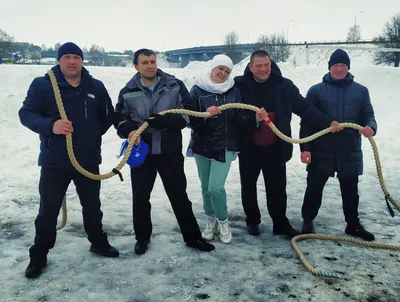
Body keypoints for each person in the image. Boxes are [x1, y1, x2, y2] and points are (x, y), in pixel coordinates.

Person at [19, 42, 119, 279]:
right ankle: (39, 254)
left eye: (76, 57)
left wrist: (92, 133)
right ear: (59, 60)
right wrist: (50, 126)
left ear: (82, 60)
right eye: (66, 57)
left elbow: (107, 115)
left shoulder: (96, 86)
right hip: (55, 160)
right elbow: (26, 114)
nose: (72, 62)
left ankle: (97, 241)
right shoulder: (43, 85)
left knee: (92, 206)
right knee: (48, 210)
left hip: (87, 159)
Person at [114, 48, 215, 255]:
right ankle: (142, 238)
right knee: (140, 198)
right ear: (136, 66)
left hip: (169, 151)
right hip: (142, 153)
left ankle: (193, 237)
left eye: (152, 61)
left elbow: (190, 115)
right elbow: (119, 119)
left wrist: (168, 121)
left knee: (179, 196)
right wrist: (130, 129)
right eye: (144, 62)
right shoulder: (127, 91)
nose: (149, 65)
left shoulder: (174, 85)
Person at [234, 50, 343, 239]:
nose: (263, 69)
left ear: (271, 64)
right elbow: (234, 116)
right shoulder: (240, 86)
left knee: (277, 188)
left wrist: (328, 122)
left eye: (266, 64)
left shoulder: (284, 86)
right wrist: (253, 118)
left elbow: (305, 108)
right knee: (248, 186)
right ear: (250, 67)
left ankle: (280, 223)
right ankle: (252, 220)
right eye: (258, 65)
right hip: (249, 147)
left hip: (276, 147)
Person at [299, 49, 377, 241]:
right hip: (321, 149)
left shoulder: (361, 91)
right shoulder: (316, 91)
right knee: (314, 188)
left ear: (348, 67)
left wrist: (370, 127)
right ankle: (307, 220)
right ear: (330, 67)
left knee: (351, 191)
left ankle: (353, 225)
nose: (339, 69)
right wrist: (306, 148)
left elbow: (368, 114)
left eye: (343, 65)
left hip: (349, 150)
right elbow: (307, 122)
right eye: (336, 65)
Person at [185, 54, 253, 243]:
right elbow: (189, 119)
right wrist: (204, 115)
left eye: (227, 70)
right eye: (220, 69)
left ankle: (223, 220)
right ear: (212, 68)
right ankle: (210, 219)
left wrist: (254, 119)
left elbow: (240, 117)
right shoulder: (197, 90)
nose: (223, 73)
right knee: (205, 188)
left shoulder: (234, 90)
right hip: (202, 145)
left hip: (225, 146)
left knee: (216, 188)